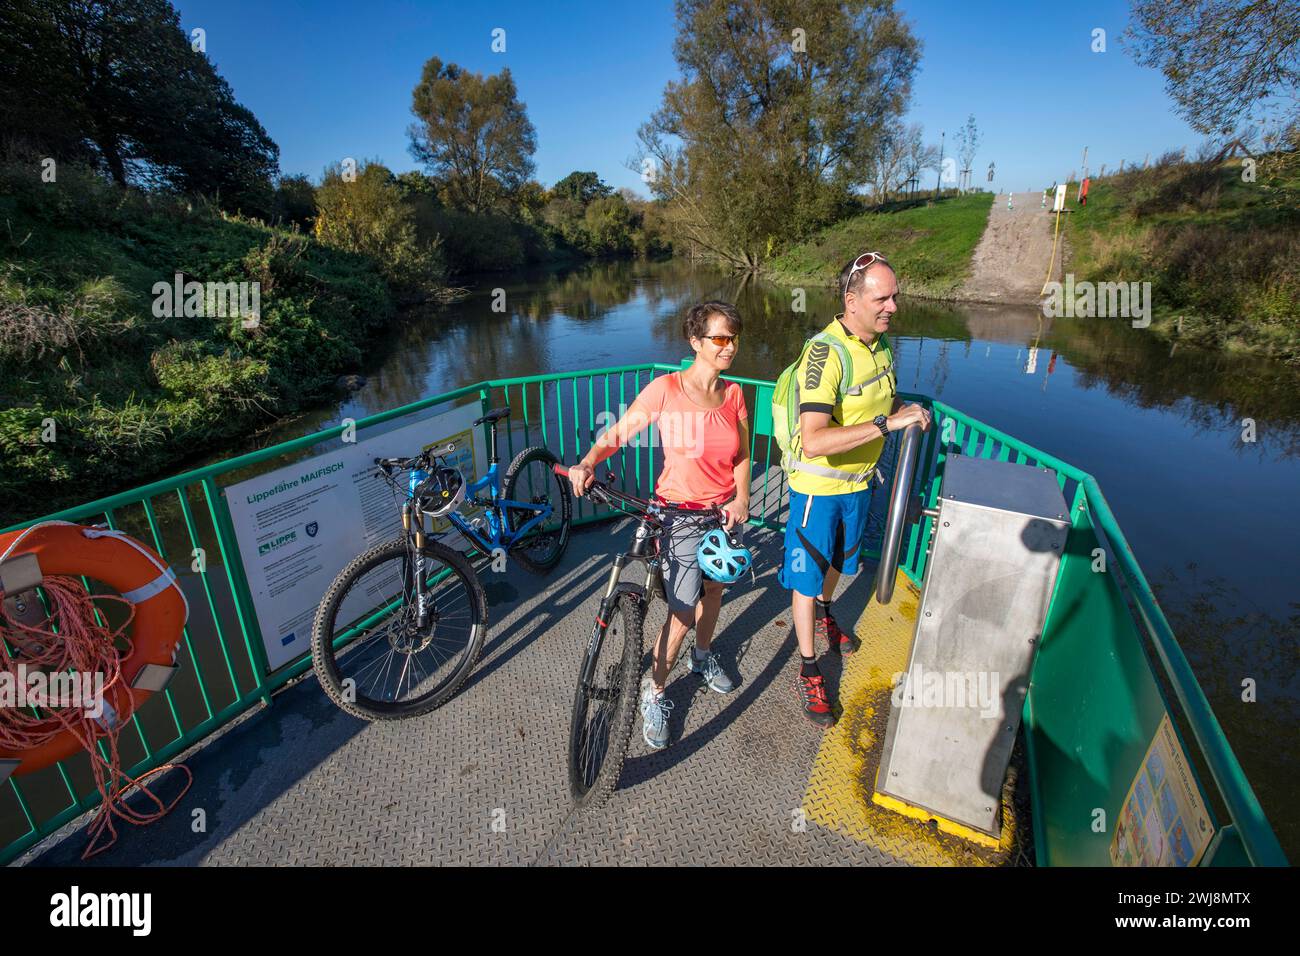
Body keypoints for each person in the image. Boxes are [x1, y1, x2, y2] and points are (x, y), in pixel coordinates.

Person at [567, 301, 750, 750]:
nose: (730, 347)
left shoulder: (735, 395)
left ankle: (703, 660)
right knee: (682, 613)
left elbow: (743, 454)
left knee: (714, 590)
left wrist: (742, 497)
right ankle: (656, 689)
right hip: (679, 515)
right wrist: (588, 461)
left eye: (734, 338)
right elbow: (620, 432)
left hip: (723, 513)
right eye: (720, 338)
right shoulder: (666, 389)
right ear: (695, 342)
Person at [780, 252, 931, 727]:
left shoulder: (880, 346)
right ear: (852, 299)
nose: (892, 307)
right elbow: (816, 438)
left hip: (858, 483)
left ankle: (827, 613)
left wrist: (905, 409)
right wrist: (889, 423)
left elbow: (882, 397)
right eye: (881, 298)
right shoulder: (826, 353)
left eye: (894, 297)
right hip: (817, 490)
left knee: (837, 567)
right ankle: (808, 668)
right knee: (806, 578)